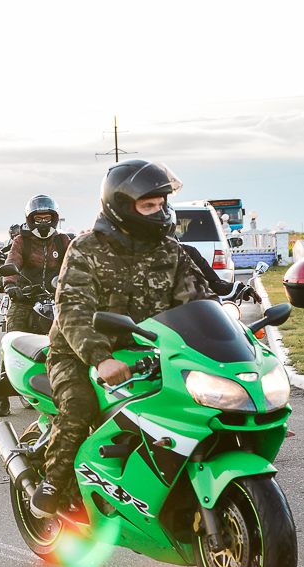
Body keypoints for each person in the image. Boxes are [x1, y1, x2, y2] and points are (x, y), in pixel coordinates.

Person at [30, 160, 214, 519]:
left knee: (197, 402)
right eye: (149, 206)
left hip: (150, 351)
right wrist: (101, 358)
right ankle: (52, 483)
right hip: (80, 353)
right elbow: (72, 312)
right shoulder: (86, 249)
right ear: (121, 206)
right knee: (79, 407)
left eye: (162, 204)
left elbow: (199, 302)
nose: (159, 212)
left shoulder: (169, 250)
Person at [0, 195, 73, 417]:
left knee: (73, 334)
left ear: (54, 219)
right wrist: (10, 286)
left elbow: (75, 263)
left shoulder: (63, 241)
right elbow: (12, 262)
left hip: (58, 297)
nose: (43, 223)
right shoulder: (22, 241)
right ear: (30, 220)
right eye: (38, 219)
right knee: (11, 337)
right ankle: (2, 397)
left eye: (47, 218)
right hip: (26, 297)